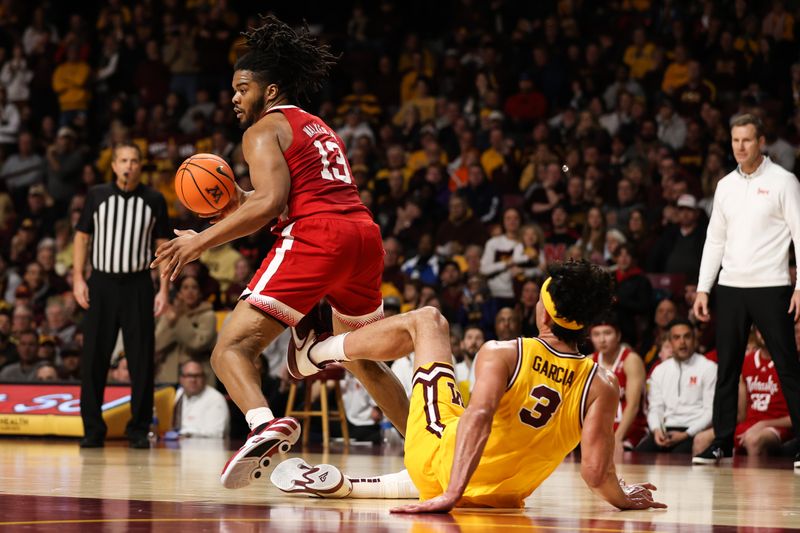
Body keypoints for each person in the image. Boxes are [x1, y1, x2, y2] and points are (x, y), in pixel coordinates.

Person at [151, 15, 408, 489]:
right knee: (363, 359)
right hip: (363, 237)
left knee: (230, 348)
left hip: (320, 239)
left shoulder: (261, 131)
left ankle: (263, 424)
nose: (234, 97)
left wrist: (198, 242)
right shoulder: (316, 125)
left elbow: (274, 203)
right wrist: (237, 202)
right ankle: (428, 451)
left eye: (243, 87)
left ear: (269, 92)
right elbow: (291, 195)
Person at [275, 261, 665, 513]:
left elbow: (477, 420)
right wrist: (624, 499)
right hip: (505, 498)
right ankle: (360, 487)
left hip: (447, 470)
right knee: (450, 418)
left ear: (542, 310)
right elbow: (596, 474)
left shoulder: (504, 352)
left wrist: (451, 494)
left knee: (428, 321)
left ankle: (315, 352)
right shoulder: (603, 384)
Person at [693, 114, 800, 468]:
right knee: (728, 368)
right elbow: (714, 241)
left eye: (747, 140)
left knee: (787, 366)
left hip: (771, 285)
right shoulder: (725, 185)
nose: (740, 146)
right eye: (735, 140)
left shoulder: (785, 181)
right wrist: (704, 289)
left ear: (761, 141)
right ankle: (722, 441)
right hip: (731, 286)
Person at [73, 142, 170, 448]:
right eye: (123, 161)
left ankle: (139, 429)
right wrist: (78, 278)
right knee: (93, 359)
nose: (129, 166)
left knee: (141, 358)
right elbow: (82, 237)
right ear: (113, 165)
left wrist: (164, 288)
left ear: (141, 166)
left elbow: (164, 245)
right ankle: (92, 429)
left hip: (138, 285)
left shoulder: (154, 199)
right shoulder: (97, 195)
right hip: (101, 283)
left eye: (134, 161)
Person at [693, 328, 792, 459]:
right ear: (755, 333)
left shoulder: (791, 362)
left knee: (753, 440)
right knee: (701, 439)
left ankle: (752, 480)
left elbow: (794, 418)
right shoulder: (746, 362)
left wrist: (763, 424)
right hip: (749, 424)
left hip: (778, 426)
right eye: (760, 330)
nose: (764, 334)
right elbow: (741, 414)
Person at [635, 319, 717, 455]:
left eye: (687, 336)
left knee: (677, 458)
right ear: (670, 342)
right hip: (665, 431)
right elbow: (655, 408)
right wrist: (656, 430)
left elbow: (711, 412)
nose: (682, 342)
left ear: (694, 339)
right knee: (638, 455)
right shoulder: (660, 370)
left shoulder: (709, 368)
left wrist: (686, 434)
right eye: (677, 337)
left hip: (694, 431)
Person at [589, 314, 648, 450]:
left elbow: (633, 405)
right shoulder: (590, 361)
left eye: (607, 333)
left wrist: (616, 438)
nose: (602, 339)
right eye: (596, 334)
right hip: (600, 431)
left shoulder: (631, 360)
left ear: (618, 336)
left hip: (631, 431)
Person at [171, 361, 230, 439]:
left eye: (197, 376)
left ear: (204, 378)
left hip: (207, 449)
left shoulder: (215, 398)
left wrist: (185, 433)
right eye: (188, 375)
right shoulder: (178, 394)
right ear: (181, 379)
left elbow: (217, 433)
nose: (193, 380)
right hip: (176, 447)